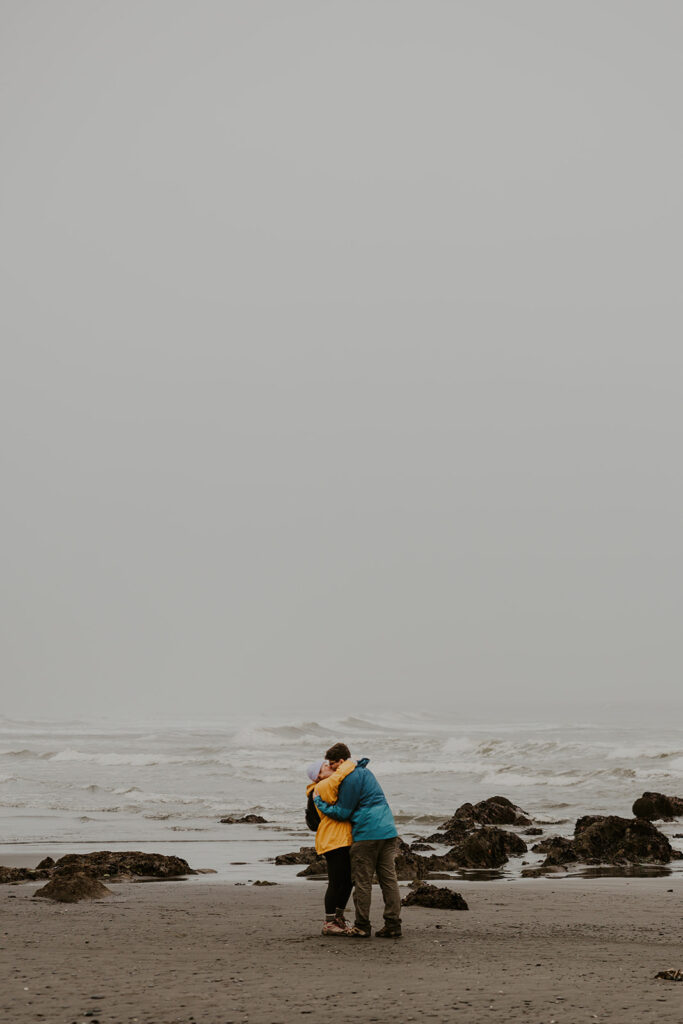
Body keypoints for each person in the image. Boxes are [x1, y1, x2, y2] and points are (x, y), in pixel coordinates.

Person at [313, 742, 402, 939]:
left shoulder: (350, 777)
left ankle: (362, 925)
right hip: (387, 829)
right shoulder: (366, 772)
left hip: (367, 833)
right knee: (389, 880)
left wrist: (319, 802)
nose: (333, 769)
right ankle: (393, 924)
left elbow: (342, 812)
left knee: (362, 881)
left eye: (333, 765)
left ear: (341, 761)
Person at [305, 756, 357, 935]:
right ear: (317, 776)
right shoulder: (321, 788)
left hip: (341, 838)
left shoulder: (325, 786)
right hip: (332, 840)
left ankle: (338, 918)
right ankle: (329, 922)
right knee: (336, 881)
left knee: (348, 880)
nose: (330, 767)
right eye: (326, 766)